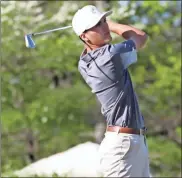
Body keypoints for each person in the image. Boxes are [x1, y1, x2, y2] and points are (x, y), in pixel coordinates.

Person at [72, 5, 150, 177]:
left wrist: (98, 26)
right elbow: (141, 36)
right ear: (84, 36)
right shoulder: (110, 56)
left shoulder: (83, 62)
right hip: (123, 146)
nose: (104, 27)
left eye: (104, 21)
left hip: (131, 141)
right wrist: (113, 24)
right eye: (98, 25)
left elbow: (89, 49)